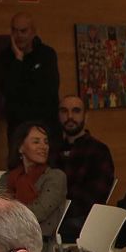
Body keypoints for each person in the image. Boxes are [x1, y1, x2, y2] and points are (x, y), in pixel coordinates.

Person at [51, 94, 115, 242]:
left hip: (83, 217)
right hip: (53, 216)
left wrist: (61, 212)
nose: (70, 116)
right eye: (64, 111)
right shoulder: (51, 150)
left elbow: (95, 196)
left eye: (76, 111)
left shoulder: (98, 150)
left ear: (86, 116)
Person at [0, 122, 68, 246]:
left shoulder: (55, 177)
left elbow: (38, 212)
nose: (43, 146)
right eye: (36, 142)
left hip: (38, 240)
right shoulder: (7, 177)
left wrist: (7, 220)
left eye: (46, 142)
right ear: (20, 147)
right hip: (7, 236)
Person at [0, 12, 60, 142]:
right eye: (15, 31)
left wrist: (24, 88)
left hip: (46, 125)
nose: (19, 36)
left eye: (23, 31)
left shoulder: (47, 55)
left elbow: (49, 90)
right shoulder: (5, 58)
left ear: (33, 32)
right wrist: (18, 60)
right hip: (19, 127)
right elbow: (8, 91)